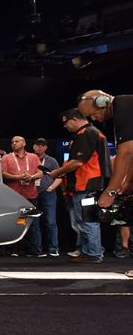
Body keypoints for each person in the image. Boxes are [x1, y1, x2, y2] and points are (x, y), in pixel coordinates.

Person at [49, 108, 111, 264]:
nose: (65, 127)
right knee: (83, 220)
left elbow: (77, 162)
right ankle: (87, 250)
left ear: (74, 120)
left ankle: (93, 253)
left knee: (87, 220)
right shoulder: (95, 133)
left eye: (66, 123)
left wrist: (57, 172)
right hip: (89, 183)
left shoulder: (85, 134)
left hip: (86, 184)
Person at [76, 90, 132, 210]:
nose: (94, 119)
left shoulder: (122, 105)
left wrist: (110, 192)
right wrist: (129, 181)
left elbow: (127, 152)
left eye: (93, 114)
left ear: (102, 102)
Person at [0, 136, 44, 257]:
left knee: (33, 223)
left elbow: (41, 172)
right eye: (12, 142)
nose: (14, 143)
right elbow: (2, 174)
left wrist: (32, 177)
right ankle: (14, 250)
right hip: (14, 196)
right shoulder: (6, 158)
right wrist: (18, 177)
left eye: (17, 141)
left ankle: (35, 250)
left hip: (31, 194)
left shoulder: (33, 157)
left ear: (24, 143)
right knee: (16, 223)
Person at [32, 138, 62, 256]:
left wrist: (51, 188)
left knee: (50, 221)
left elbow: (59, 177)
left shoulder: (51, 161)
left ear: (46, 147)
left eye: (42, 145)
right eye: (37, 145)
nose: (39, 147)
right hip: (32, 193)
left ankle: (53, 248)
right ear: (33, 146)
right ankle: (36, 249)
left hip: (47, 193)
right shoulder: (30, 159)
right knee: (34, 222)